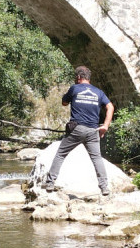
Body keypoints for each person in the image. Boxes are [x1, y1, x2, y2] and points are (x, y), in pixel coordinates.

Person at [42, 65, 114, 196]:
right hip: (93, 130)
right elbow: (110, 106)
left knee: (60, 154)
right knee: (97, 158)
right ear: (89, 78)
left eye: (76, 77)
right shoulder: (99, 92)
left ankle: (50, 183)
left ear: (79, 77)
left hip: (76, 129)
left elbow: (64, 103)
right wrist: (105, 125)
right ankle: (104, 187)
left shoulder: (74, 88)